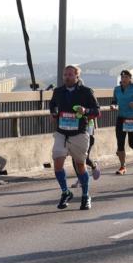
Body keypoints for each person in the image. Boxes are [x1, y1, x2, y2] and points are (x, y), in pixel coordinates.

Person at [49, 65, 100, 210]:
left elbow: (97, 110)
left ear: (77, 76)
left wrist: (85, 111)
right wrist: (54, 111)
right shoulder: (58, 91)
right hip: (61, 133)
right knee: (57, 164)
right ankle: (65, 192)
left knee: (80, 166)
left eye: (70, 74)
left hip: (79, 133)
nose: (67, 77)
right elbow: (52, 105)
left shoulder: (86, 91)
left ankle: (85, 195)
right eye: (65, 75)